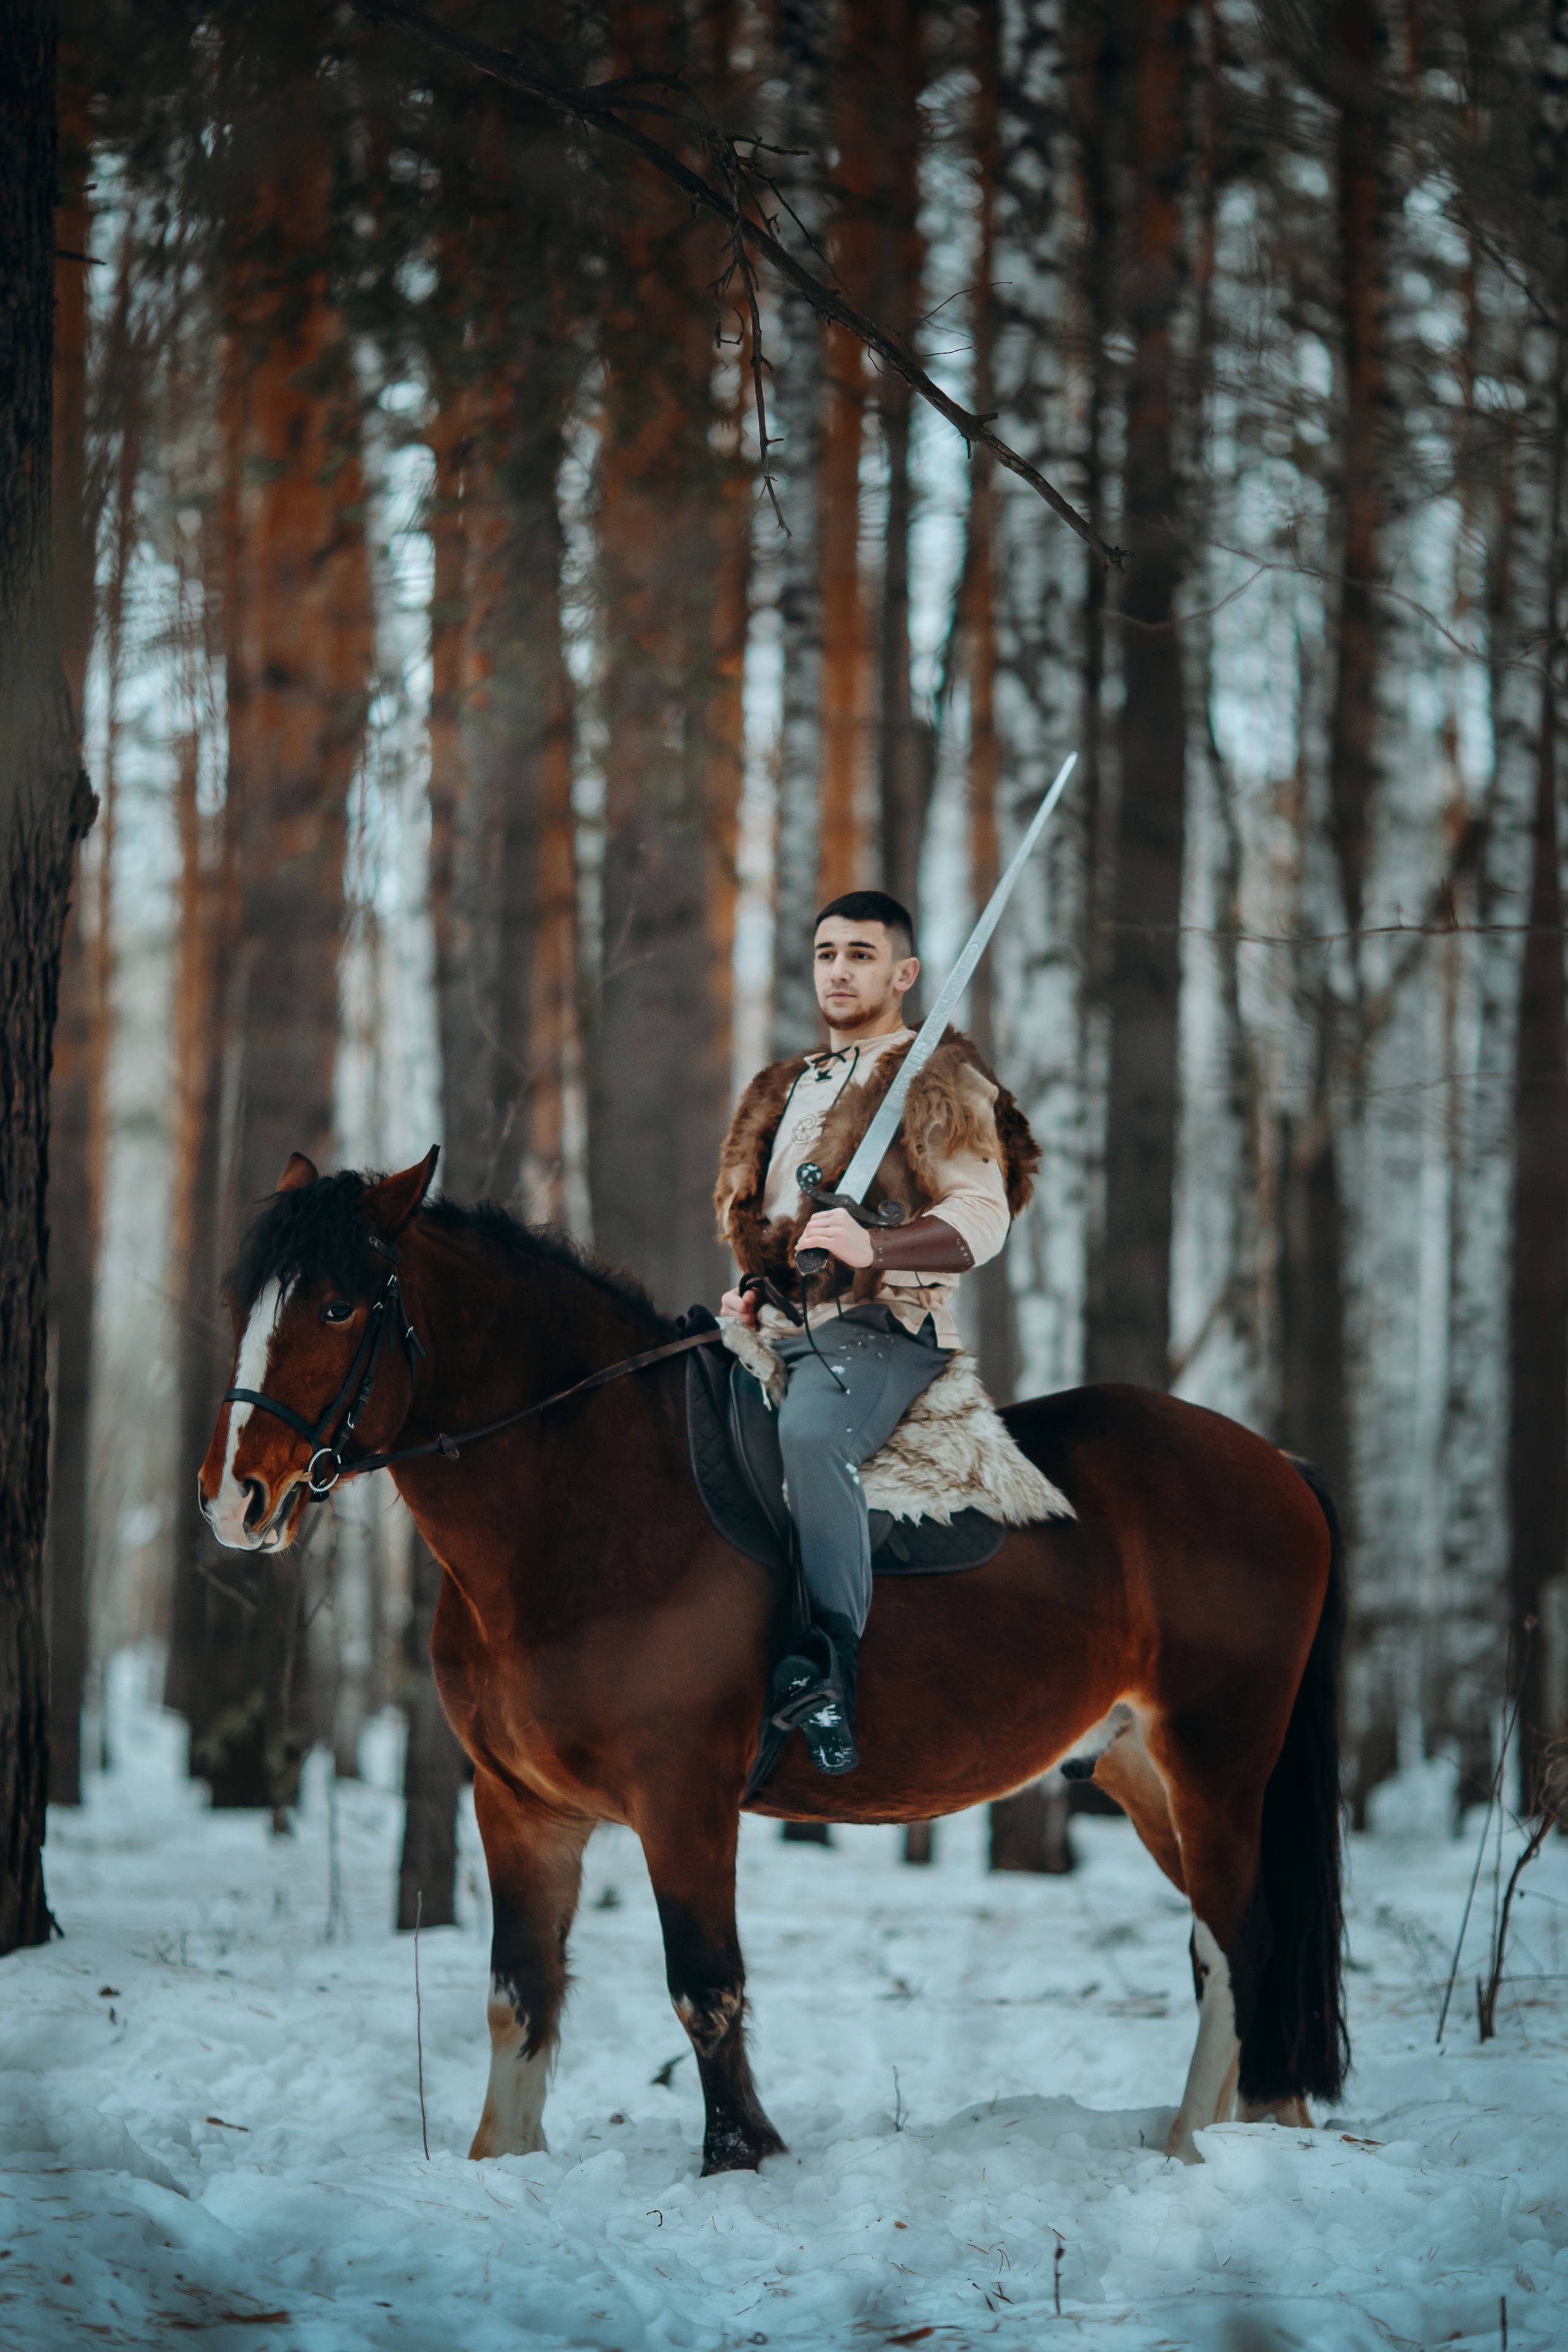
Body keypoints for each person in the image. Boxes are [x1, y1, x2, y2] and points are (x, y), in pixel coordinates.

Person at [715, 890, 1039, 1774]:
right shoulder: (784, 1089)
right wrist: (755, 1289)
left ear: (903, 974)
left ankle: (831, 1667)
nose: (839, 971)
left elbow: (982, 1216)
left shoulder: (938, 1078)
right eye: (826, 954)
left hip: (881, 1330)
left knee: (815, 1434)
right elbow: (777, 1230)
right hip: (776, 1329)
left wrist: (879, 1244)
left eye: (860, 954)